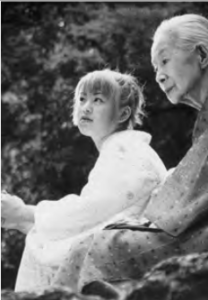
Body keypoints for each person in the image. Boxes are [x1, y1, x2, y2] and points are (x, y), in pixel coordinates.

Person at [65, 13, 208, 296]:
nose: (159, 75)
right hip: (195, 229)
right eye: (155, 68)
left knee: (91, 249)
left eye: (164, 61)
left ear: (201, 55)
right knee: (91, 245)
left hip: (207, 236)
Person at [1, 69, 167, 292]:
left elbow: (91, 211)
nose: (86, 106)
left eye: (98, 100)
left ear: (122, 114)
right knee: (38, 235)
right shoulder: (121, 148)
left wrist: (26, 212)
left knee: (41, 243)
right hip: (123, 245)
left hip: (127, 250)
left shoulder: (124, 150)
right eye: (82, 99)